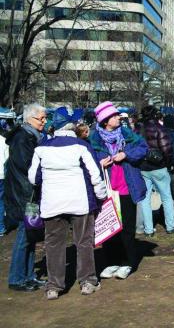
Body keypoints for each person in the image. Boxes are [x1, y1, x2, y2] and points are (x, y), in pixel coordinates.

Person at [28, 119, 107, 299]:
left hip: (52, 203)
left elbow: (33, 178)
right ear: (73, 128)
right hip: (80, 201)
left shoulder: (42, 148)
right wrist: (101, 196)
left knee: (54, 244)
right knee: (84, 241)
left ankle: (54, 286)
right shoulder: (81, 146)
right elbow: (95, 174)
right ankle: (87, 281)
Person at [89, 101, 148, 280]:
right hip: (106, 190)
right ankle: (111, 262)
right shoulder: (94, 140)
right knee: (109, 227)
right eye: (114, 116)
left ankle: (127, 262)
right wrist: (99, 163)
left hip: (126, 188)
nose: (118, 118)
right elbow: (88, 161)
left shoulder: (128, 135)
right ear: (105, 120)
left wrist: (126, 155)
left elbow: (143, 149)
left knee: (127, 228)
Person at [5, 103, 46, 292]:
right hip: (24, 195)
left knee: (31, 235)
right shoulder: (23, 138)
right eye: (41, 118)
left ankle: (29, 276)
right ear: (29, 119)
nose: (44, 122)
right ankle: (16, 278)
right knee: (24, 236)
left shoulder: (30, 137)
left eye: (45, 118)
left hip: (28, 193)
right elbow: (27, 166)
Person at [137, 106, 174, 235]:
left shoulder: (137, 129)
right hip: (158, 166)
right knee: (166, 197)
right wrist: (168, 163)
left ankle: (148, 229)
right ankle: (170, 226)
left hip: (143, 166)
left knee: (145, 199)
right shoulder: (160, 128)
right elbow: (166, 148)